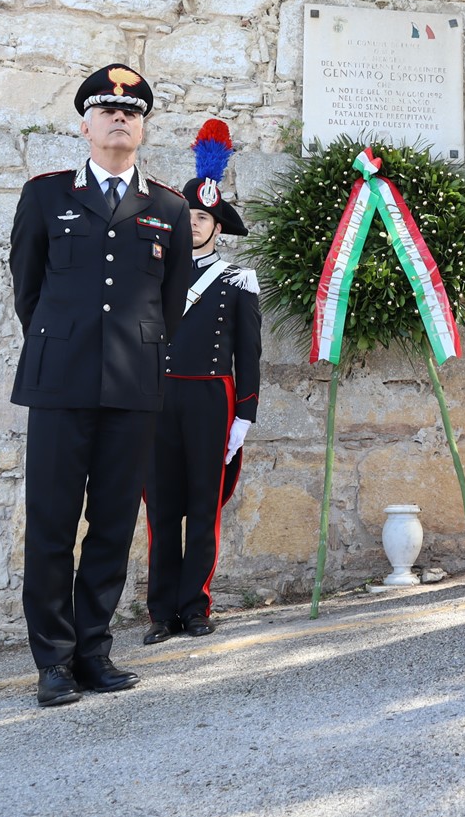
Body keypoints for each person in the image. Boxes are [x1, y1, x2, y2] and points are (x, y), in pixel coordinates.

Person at [9, 63, 192, 705]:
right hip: (59, 383)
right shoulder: (45, 195)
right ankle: (53, 661)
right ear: (86, 123)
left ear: (142, 127)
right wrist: (69, 345)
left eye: (132, 112)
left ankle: (94, 651)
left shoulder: (168, 207)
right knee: (54, 523)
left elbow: (171, 305)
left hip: (133, 387)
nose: (121, 118)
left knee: (113, 524)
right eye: (108, 110)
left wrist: (126, 355)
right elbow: (28, 292)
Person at [143, 120, 261, 644]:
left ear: (218, 227)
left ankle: (195, 607)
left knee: (202, 507)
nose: (193, 224)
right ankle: (160, 613)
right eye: (186, 216)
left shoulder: (238, 279)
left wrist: (245, 415)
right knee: (161, 509)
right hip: (158, 397)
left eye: (203, 217)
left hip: (213, 398)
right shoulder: (155, 273)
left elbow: (249, 352)